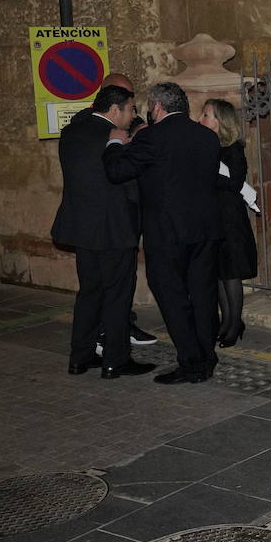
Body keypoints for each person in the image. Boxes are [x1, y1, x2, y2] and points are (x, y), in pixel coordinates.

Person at [103, 82, 222, 385]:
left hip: (167, 233)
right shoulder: (207, 137)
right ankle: (207, 357)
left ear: (156, 107)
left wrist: (115, 143)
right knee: (204, 295)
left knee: (173, 297)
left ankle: (192, 363)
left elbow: (117, 171)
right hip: (206, 230)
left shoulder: (152, 138)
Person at [52, 83, 154, 379]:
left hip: (83, 230)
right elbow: (131, 187)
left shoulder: (71, 133)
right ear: (114, 109)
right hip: (115, 229)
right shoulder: (116, 139)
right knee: (117, 296)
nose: (133, 114)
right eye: (131, 109)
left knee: (89, 293)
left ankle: (79, 357)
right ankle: (115, 360)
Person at [92, 72, 159, 348]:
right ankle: (107, 335)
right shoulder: (93, 127)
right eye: (127, 100)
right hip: (107, 216)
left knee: (125, 277)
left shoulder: (134, 122)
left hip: (132, 211)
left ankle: (124, 325)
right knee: (106, 281)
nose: (133, 107)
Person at [198, 99, 257, 347]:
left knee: (231, 273)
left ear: (220, 121)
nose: (201, 118)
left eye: (206, 115)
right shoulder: (204, 145)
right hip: (211, 216)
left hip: (230, 218)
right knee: (219, 272)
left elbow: (234, 183)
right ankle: (225, 321)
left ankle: (235, 323)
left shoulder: (233, 149)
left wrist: (206, 175)